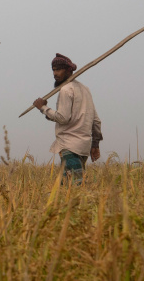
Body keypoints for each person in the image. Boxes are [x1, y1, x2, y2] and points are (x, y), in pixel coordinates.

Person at [33, 53, 102, 185]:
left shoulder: (65, 90)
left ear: (68, 70)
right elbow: (96, 121)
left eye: (58, 70)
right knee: (67, 186)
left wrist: (43, 108)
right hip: (83, 147)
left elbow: (63, 118)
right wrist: (95, 144)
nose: (55, 73)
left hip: (69, 145)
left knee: (74, 186)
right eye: (53, 70)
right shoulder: (85, 89)